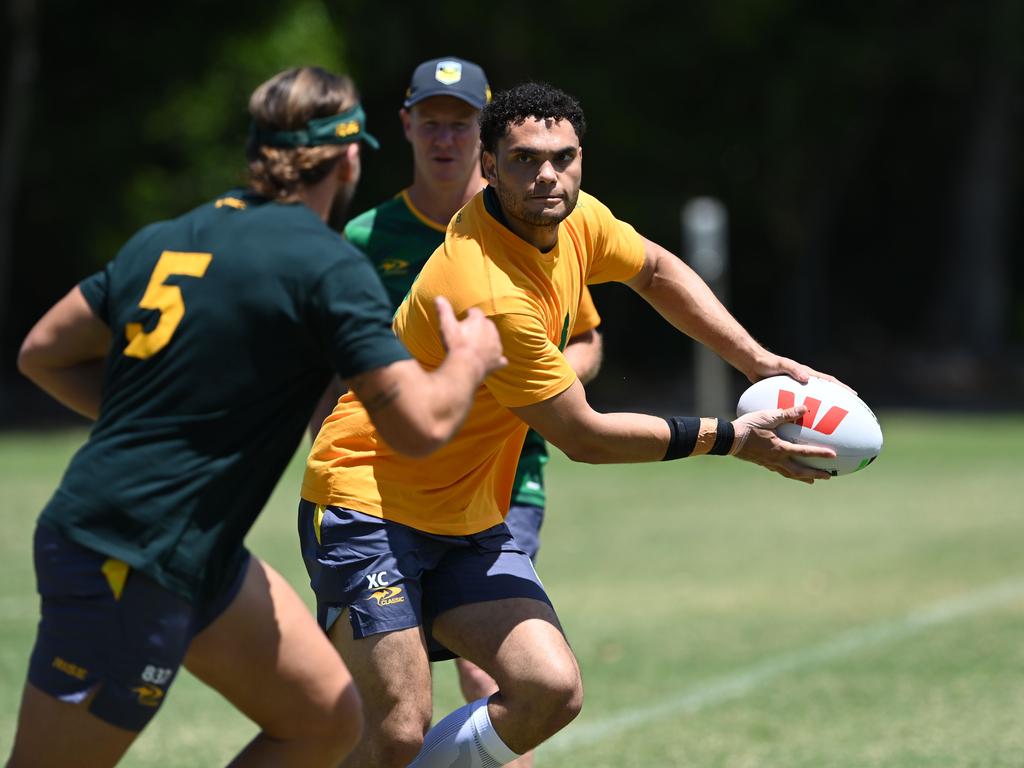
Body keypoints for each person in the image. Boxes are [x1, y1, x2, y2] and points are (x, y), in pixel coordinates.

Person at [299, 81, 838, 768]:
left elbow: (657, 270)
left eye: (563, 157)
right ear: (488, 168)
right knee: (399, 728)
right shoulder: (485, 285)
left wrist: (758, 362)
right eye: (524, 160)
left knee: (549, 689)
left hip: (465, 515)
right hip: (366, 503)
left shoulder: (577, 219)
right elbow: (583, 437)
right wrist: (729, 438)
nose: (547, 175)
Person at [7, 66, 505, 768]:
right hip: (127, 549)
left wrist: (161, 423)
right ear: (349, 155)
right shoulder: (326, 266)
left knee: (326, 721)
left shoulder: (171, 236)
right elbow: (419, 427)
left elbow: (43, 352)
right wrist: (472, 357)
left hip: (199, 549)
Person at [340, 56, 601, 768]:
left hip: (507, 476)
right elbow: (341, 370)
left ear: (482, 136)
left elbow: (585, 341)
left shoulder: (536, 214)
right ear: (408, 126)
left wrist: (537, 385)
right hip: (390, 486)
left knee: (502, 676)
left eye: (460, 122)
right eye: (433, 122)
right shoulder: (366, 240)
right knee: (396, 709)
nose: (445, 138)